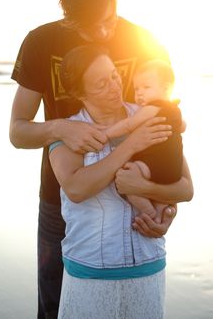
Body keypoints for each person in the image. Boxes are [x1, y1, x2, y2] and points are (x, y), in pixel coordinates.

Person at [9, 0, 179, 318]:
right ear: (68, 17)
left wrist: (167, 206)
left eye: (109, 19)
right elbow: (18, 131)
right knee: (53, 305)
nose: (105, 32)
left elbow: (169, 133)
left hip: (136, 199)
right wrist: (59, 127)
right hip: (62, 198)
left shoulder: (143, 42)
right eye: (93, 27)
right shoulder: (41, 42)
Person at [48, 45, 193, 318]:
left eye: (115, 75)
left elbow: (185, 187)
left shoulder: (151, 113)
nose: (115, 87)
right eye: (102, 83)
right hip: (89, 270)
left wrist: (163, 206)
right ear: (80, 93)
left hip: (148, 265)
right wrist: (130, 146)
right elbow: (76, 189)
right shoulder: (68, 131)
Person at [105, 59, 184, 222]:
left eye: (146, 87)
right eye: (136, 88)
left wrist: (106, 134)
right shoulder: (174, 109)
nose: (139, 93)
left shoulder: (152, 108)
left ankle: (149, 212)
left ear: (166, 88)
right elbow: (182, 126)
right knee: (160, 198)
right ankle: (160, 212)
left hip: (153, 164)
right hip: (174, 169)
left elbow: (128, 125)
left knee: (127, 180)